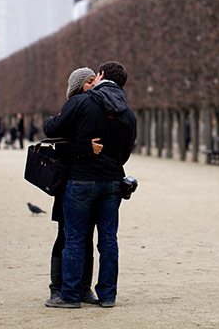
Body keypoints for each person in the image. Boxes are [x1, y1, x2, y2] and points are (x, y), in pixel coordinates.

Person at [43, 61, 137, 309]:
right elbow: (126, 153)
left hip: (81, 179)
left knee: (74, 238)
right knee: (108, 240)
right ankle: (107, 296)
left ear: (101, 75)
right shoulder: (128, 112)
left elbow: (51, 128)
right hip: (113, 180)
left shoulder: (83, 102)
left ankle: (70, 295)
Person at [46, 68, 103, 306]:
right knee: (65, 237)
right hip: (68, 181)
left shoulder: (94, 108)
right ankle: (57, 288)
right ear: (78, 86)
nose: (93, 85)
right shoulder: (72, 107)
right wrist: (83, 146)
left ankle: (83, 288)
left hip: (89, 179)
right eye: (89, 82)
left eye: (95, 81)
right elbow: (53, 136)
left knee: (86, 237)